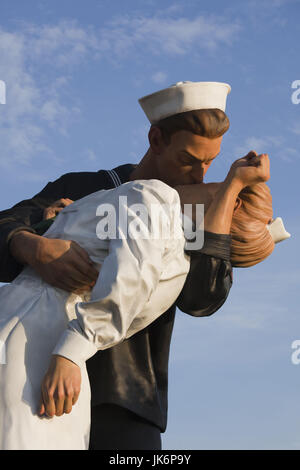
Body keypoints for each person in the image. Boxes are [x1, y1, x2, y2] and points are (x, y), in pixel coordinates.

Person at [0, 81, 242, 449]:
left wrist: (224, 208)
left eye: (210, 163)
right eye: (189, 160)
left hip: (125, 396)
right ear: (156, 139)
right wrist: (31, 245)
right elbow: (9, 223)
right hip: (33, 373)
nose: (200, 176)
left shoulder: (190, 213)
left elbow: (201, 298)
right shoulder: (84, 187)